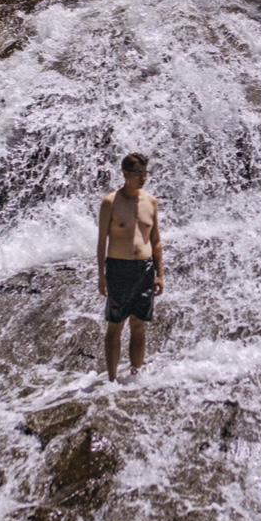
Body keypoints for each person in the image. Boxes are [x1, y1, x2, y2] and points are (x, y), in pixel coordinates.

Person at [97, 153, 163, 382]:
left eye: (145, 173)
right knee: (115, 325)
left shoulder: (151, 201)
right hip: (119, 268)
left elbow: (155, 240)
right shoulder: (110, 202)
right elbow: (101, 242)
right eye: (138, 173)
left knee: (139, 324)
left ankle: (136, 375)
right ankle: (112, 380)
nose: (142, 178)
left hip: (144, 269)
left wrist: (159, 274)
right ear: (125, 173)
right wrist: (101, 276)